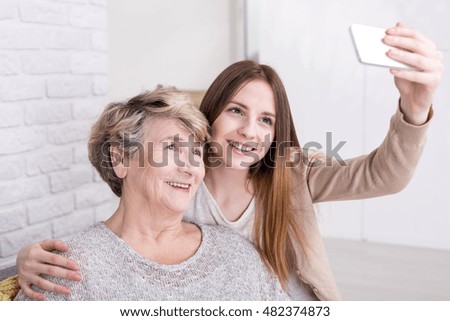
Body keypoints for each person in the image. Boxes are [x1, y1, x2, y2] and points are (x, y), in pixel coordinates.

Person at [15, 22, 443, 300]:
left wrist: (415, 106)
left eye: (266, 120)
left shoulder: (292, 172)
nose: (250, 132)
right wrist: (26, 263)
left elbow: (383, 175)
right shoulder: (182, 176)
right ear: (211, 116)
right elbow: (126, 230)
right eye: (237, 111)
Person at [14, 87, 288, 300]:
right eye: (171, 148)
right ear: (120, 159)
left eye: (195, 153)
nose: (190, 167)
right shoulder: (67, 269)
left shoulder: (235, 252)